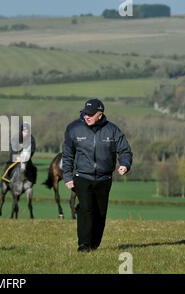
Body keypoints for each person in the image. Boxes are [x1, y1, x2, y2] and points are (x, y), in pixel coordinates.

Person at [62, 98, 132, 252]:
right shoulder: (74, 128)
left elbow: (125, 150)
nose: (87, 116)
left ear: (100, 114)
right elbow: (67, 155)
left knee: (100, 213)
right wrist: (67, 176)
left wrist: (125, 164)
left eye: (91, 114)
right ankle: (84, 245)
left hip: (104, 178)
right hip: (82, 176)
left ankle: (94, 244)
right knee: (86, 209)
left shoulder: (112, 130)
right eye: (85, 113)